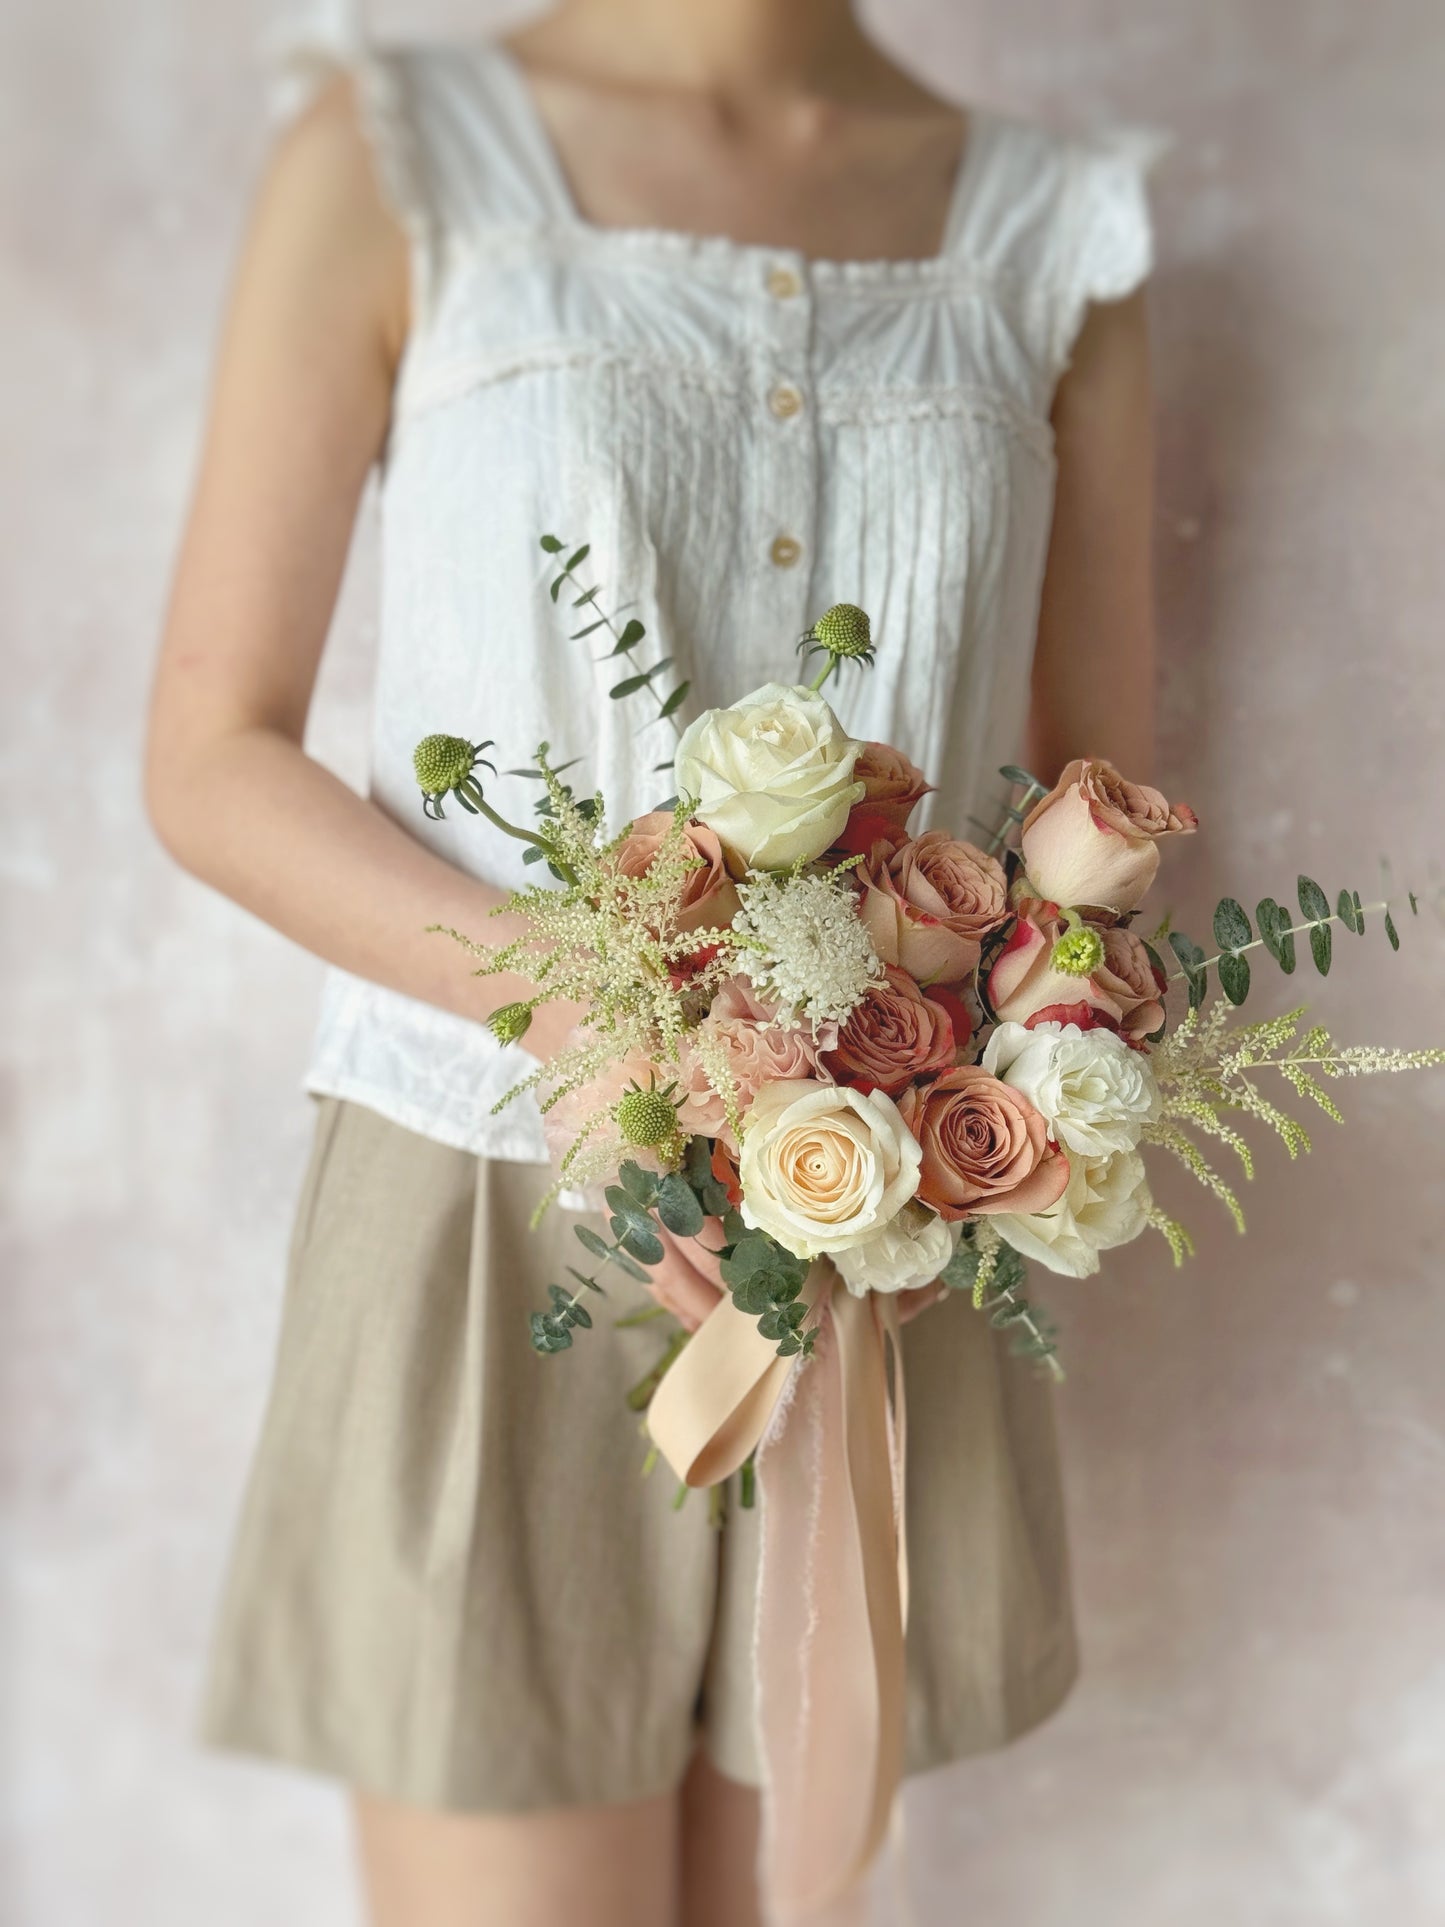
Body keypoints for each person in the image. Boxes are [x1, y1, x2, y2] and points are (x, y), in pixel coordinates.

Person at [145, 1, 1160, 1921]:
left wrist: (974, 1110)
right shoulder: (399, 155)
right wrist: (583, 1015)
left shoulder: (1056, 238)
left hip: (885, 1261)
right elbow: (211, 755)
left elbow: (1098, 814)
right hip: (475, 1223)